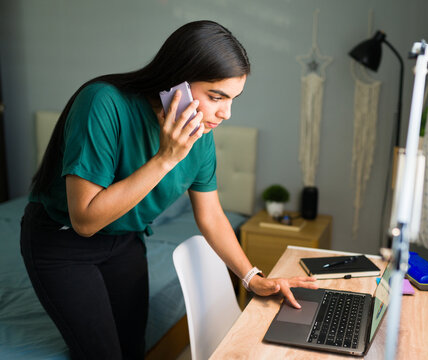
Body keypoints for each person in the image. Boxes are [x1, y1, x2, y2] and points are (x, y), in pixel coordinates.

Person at [20, 20, 317, 360]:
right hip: (63, 243)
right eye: (216, 96)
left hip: (125, 240)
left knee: (133, 351)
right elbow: (85, 221)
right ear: (177, 80)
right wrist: (165, 158)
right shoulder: (102, 103)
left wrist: (252, 278)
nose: (226, 113)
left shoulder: (201, 135)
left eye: (233, 99)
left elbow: (212, 216)